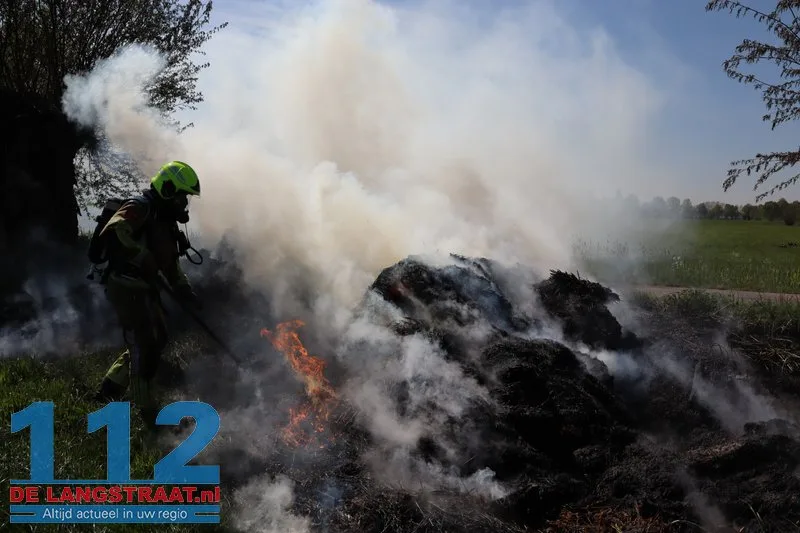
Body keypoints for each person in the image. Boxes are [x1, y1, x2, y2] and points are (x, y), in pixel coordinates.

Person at [95, 160, 202, 414]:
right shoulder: (139, 207)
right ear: (166, 189)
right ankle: (145, 410)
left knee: (158, 338)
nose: (184, 203)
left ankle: (109, 388)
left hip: (144, 287)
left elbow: (170, 264)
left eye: (186, 197)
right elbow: (115, 229)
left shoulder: (166, 222)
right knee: (146, 347)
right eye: (181, 196)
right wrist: (141, 255)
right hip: (125, 284)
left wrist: (183, 288)